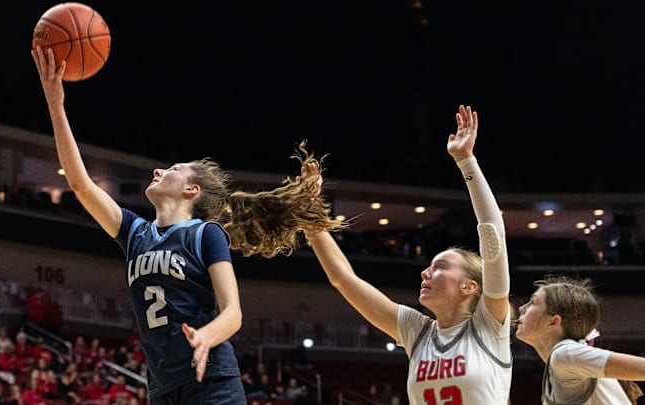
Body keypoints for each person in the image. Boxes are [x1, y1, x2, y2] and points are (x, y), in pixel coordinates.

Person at [31, 46, 343, 405]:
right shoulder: (134, 233)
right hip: (163, 389)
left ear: (191, 190)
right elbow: (80, 184)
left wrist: (208, 336)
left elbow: (233, 312)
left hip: (211, 382)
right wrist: (56, 105)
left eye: (172, 169)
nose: (159, 171)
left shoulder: (205, 235)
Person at [303, 104, 513, 404]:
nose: (425, 273)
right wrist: (311, 219)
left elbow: (493, 233)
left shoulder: (489, 326)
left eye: (440, 267)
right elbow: (342, 279)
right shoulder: (418, 331)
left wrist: (466, 161)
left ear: (470, 286)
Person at [515, 274, 645, 404]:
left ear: (553, 322)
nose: (522, 308)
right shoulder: (562, 361)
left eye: (532, 302)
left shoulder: (565, 354)